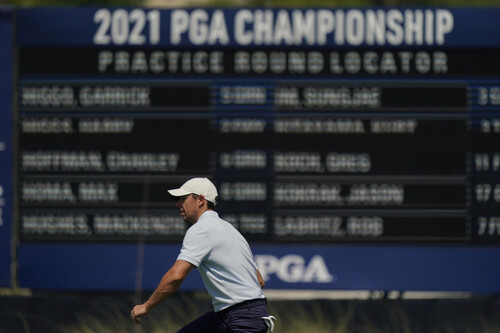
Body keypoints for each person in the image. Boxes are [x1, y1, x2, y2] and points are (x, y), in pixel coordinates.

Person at [130, 177, 275, 333]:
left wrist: (146, 306)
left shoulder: (201, 229)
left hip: (241, 320)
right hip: (243, 315)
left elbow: (176, 276)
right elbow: (258, 280)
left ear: (200, 200)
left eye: (183, 199)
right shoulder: (231, 230)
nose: (178, 204)